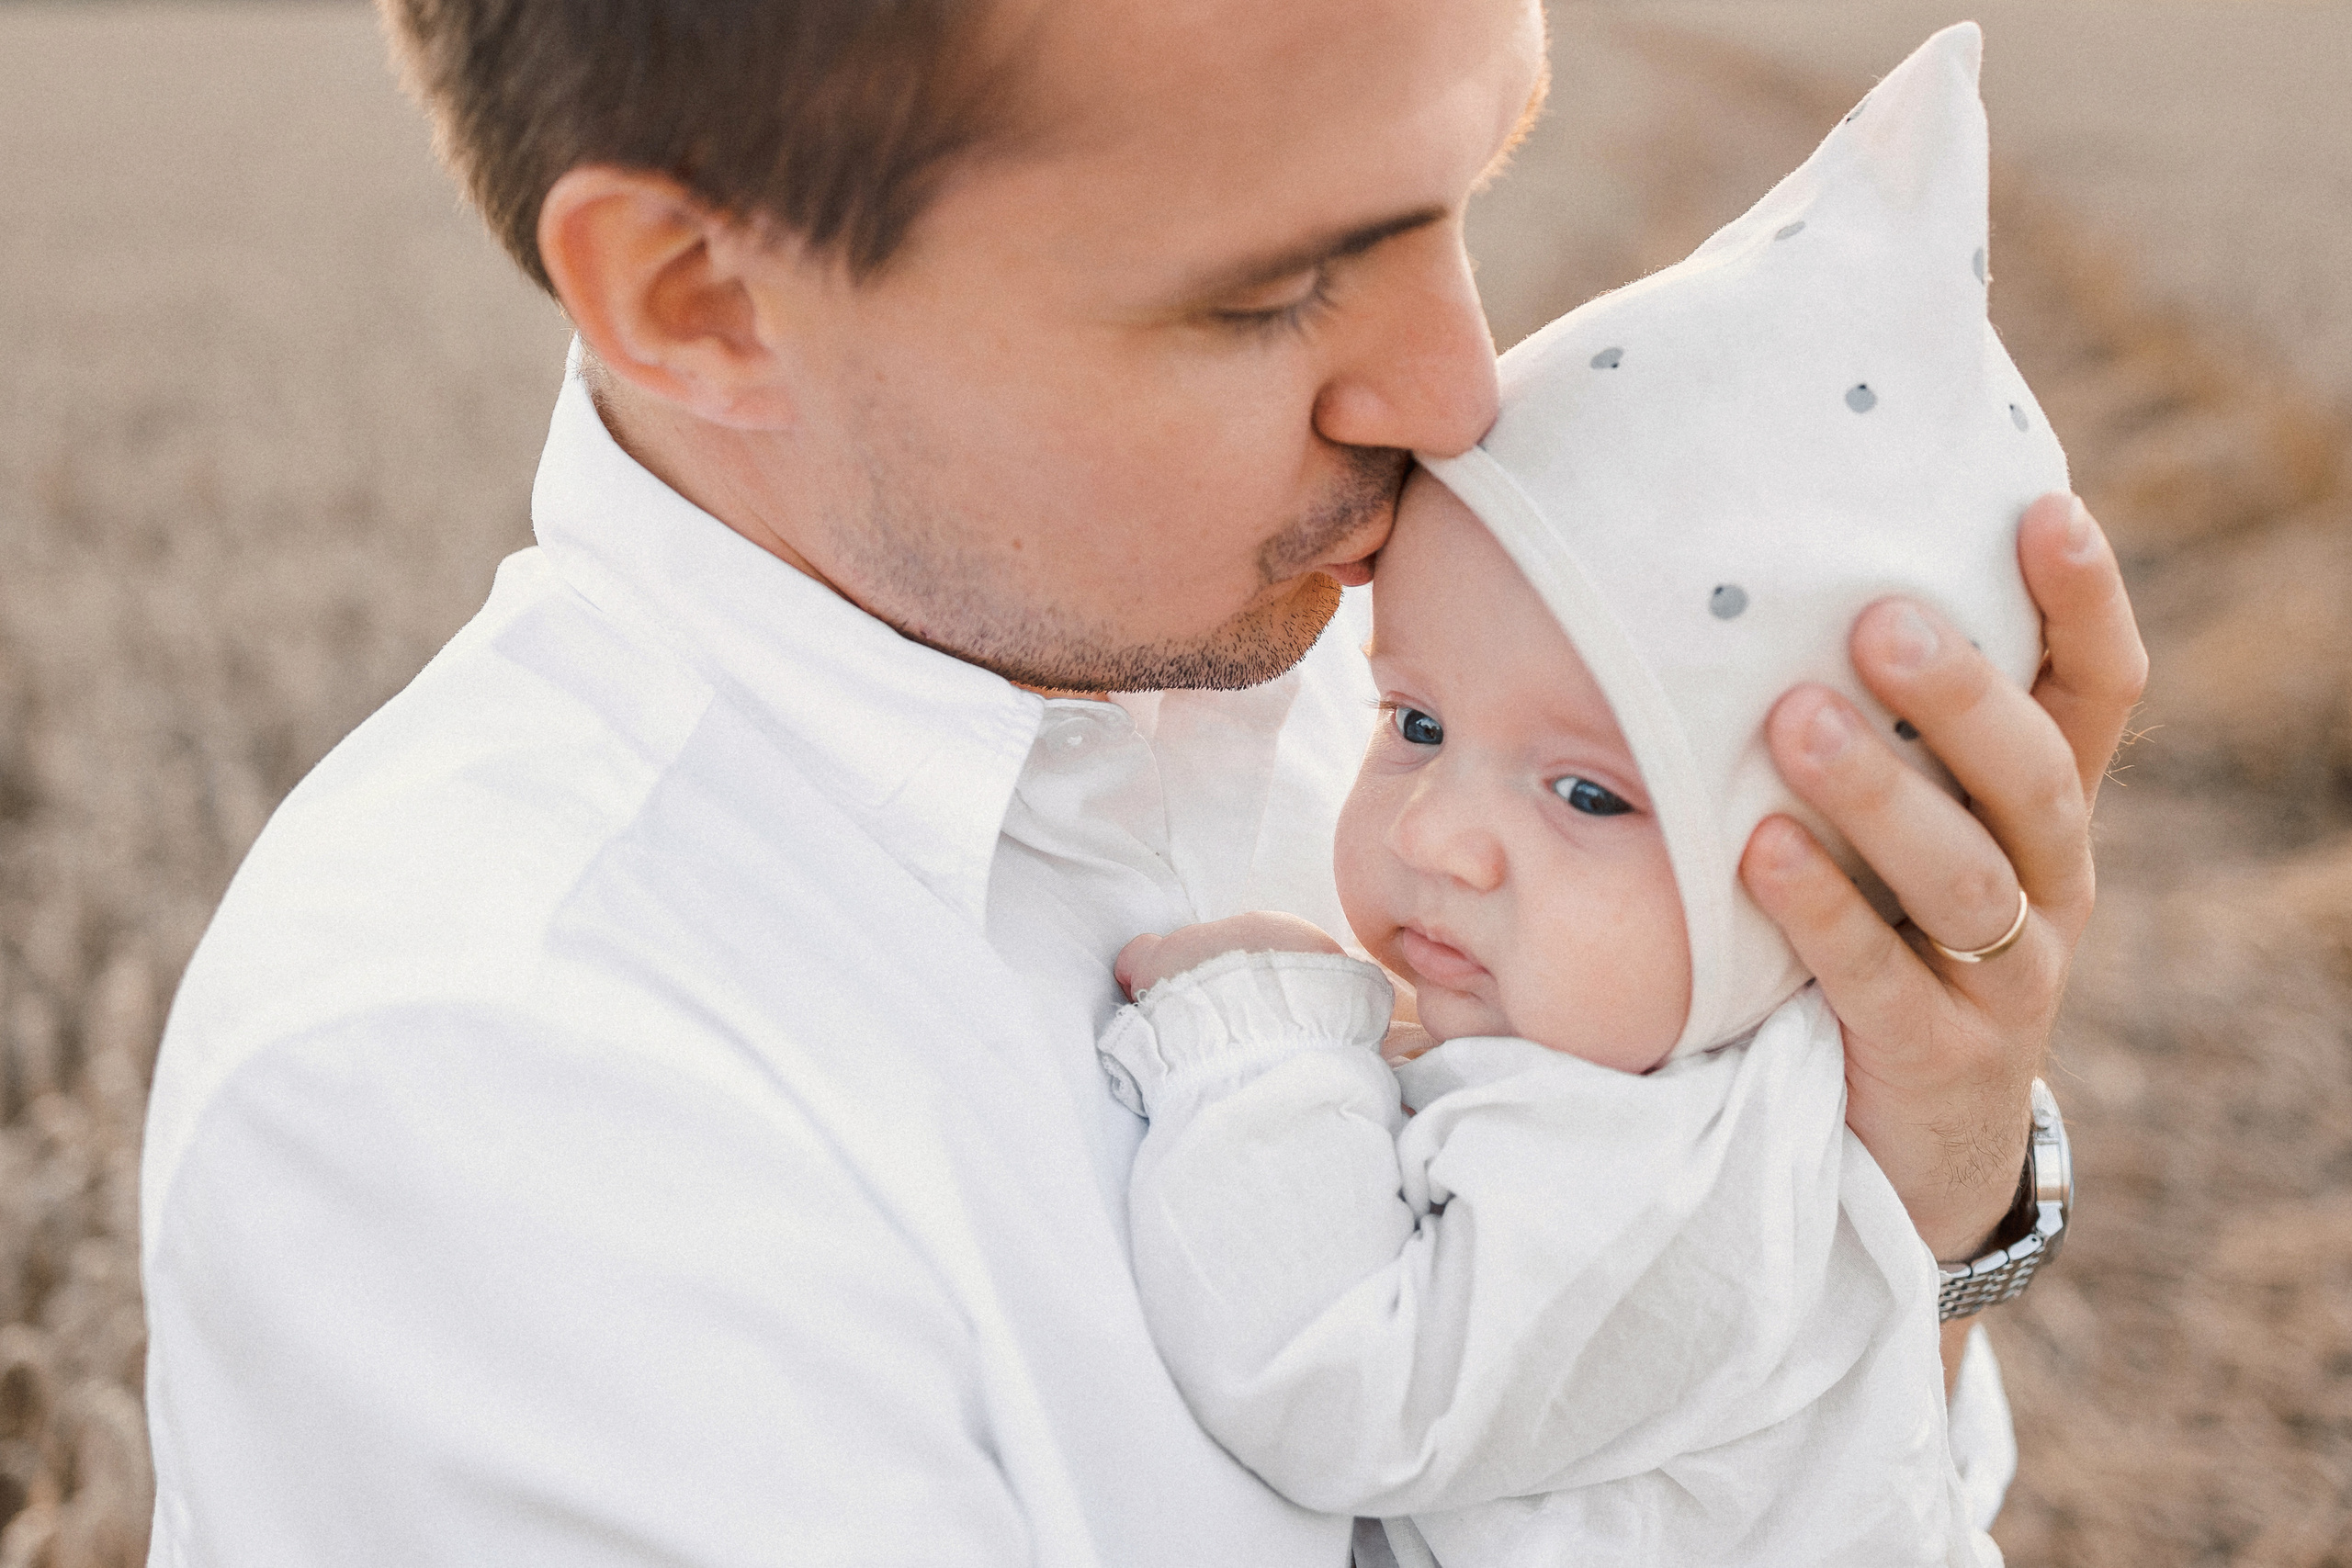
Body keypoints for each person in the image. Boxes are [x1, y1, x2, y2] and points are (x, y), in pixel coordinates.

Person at [136, 0, 2145, 1562]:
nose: (1453, 390)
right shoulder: (489, 1102)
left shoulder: (1437, 693)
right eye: (1268, 289)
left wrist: (1909, 1196)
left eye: (1471, 193)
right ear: (697, 298)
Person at [1098, 28, 2036, 1566]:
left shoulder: (1665, 1173)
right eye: (1410, 717)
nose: (1435, 833)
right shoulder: (1718, 1106)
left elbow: (1349, 1387)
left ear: (1837, 884)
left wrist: (1252, 1037)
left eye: (1593, 796)